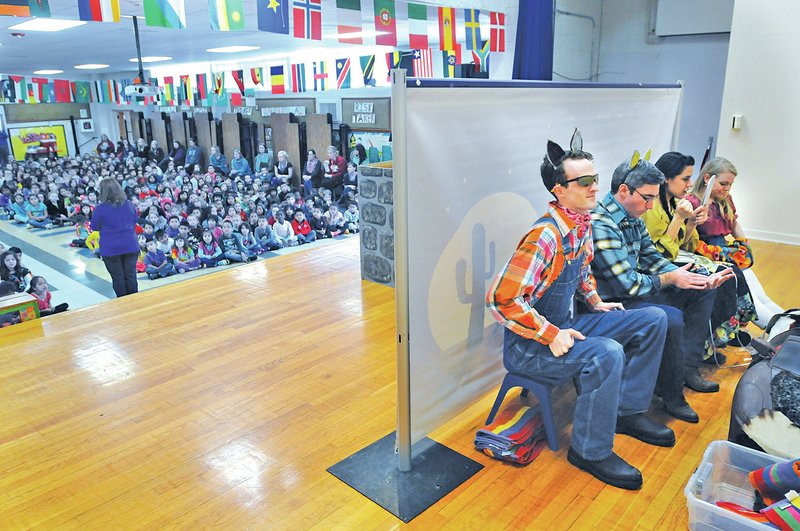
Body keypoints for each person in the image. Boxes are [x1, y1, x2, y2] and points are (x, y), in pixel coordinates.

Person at [487, 130, 670, 491]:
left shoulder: (580, 224)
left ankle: (627, 412)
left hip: (568, 326)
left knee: (653, 318)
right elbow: (502, 299)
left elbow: (581, 270)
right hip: (531, 349)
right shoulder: (546, 236)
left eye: (595, 179)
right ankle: (589, 451)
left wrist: (596, 301)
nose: (593, 188)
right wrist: (550, 334)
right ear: (559, 189)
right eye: (583, 181)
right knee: (607, 353)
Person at [591, 151, 734, 396]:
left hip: (635, 291)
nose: (650, 206)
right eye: (647, 198)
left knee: (702, 291)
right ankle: (670, 393)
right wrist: (672, 277)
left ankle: (687, 369)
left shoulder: (632, 215)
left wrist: (689, 277)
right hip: (615, 302)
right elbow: (628, 286)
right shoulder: (602, 223)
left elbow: (653, 258)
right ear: (624, 191)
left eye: (653, 199)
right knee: (669, 317)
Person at [644, 152, 757, 352]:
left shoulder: (673, 202)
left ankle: (717, 338)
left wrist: (691, 224)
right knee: (721, 279)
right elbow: (660, 253)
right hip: (659, 266)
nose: (689, 184)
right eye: (685, 178)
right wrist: (680, 219)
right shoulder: (654, 207)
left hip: (680, 257)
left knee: (730, 273)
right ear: (666, 179)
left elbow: (685, 244)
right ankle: (707, 344)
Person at [686, 157, 784, 329]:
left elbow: (733, 224)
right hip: (705, 255)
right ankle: (780, 331)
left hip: (726, 251)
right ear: (708, 178)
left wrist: (744, 245)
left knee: (762, 297)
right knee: (750, 298)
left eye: (730, 184)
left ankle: (791, 325)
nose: (727, 188)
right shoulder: (692, 202)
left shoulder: (725, 200)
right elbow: (688, 239)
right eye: (723, 183)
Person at [91, 178, 140, 297]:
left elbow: (94, 227)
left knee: (118, 277)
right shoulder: (129, 204)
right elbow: (134, 221)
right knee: (131, 275)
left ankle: (123, 303)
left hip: (111, 248)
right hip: (130, 245)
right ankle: (136, 302)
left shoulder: (100, 209)